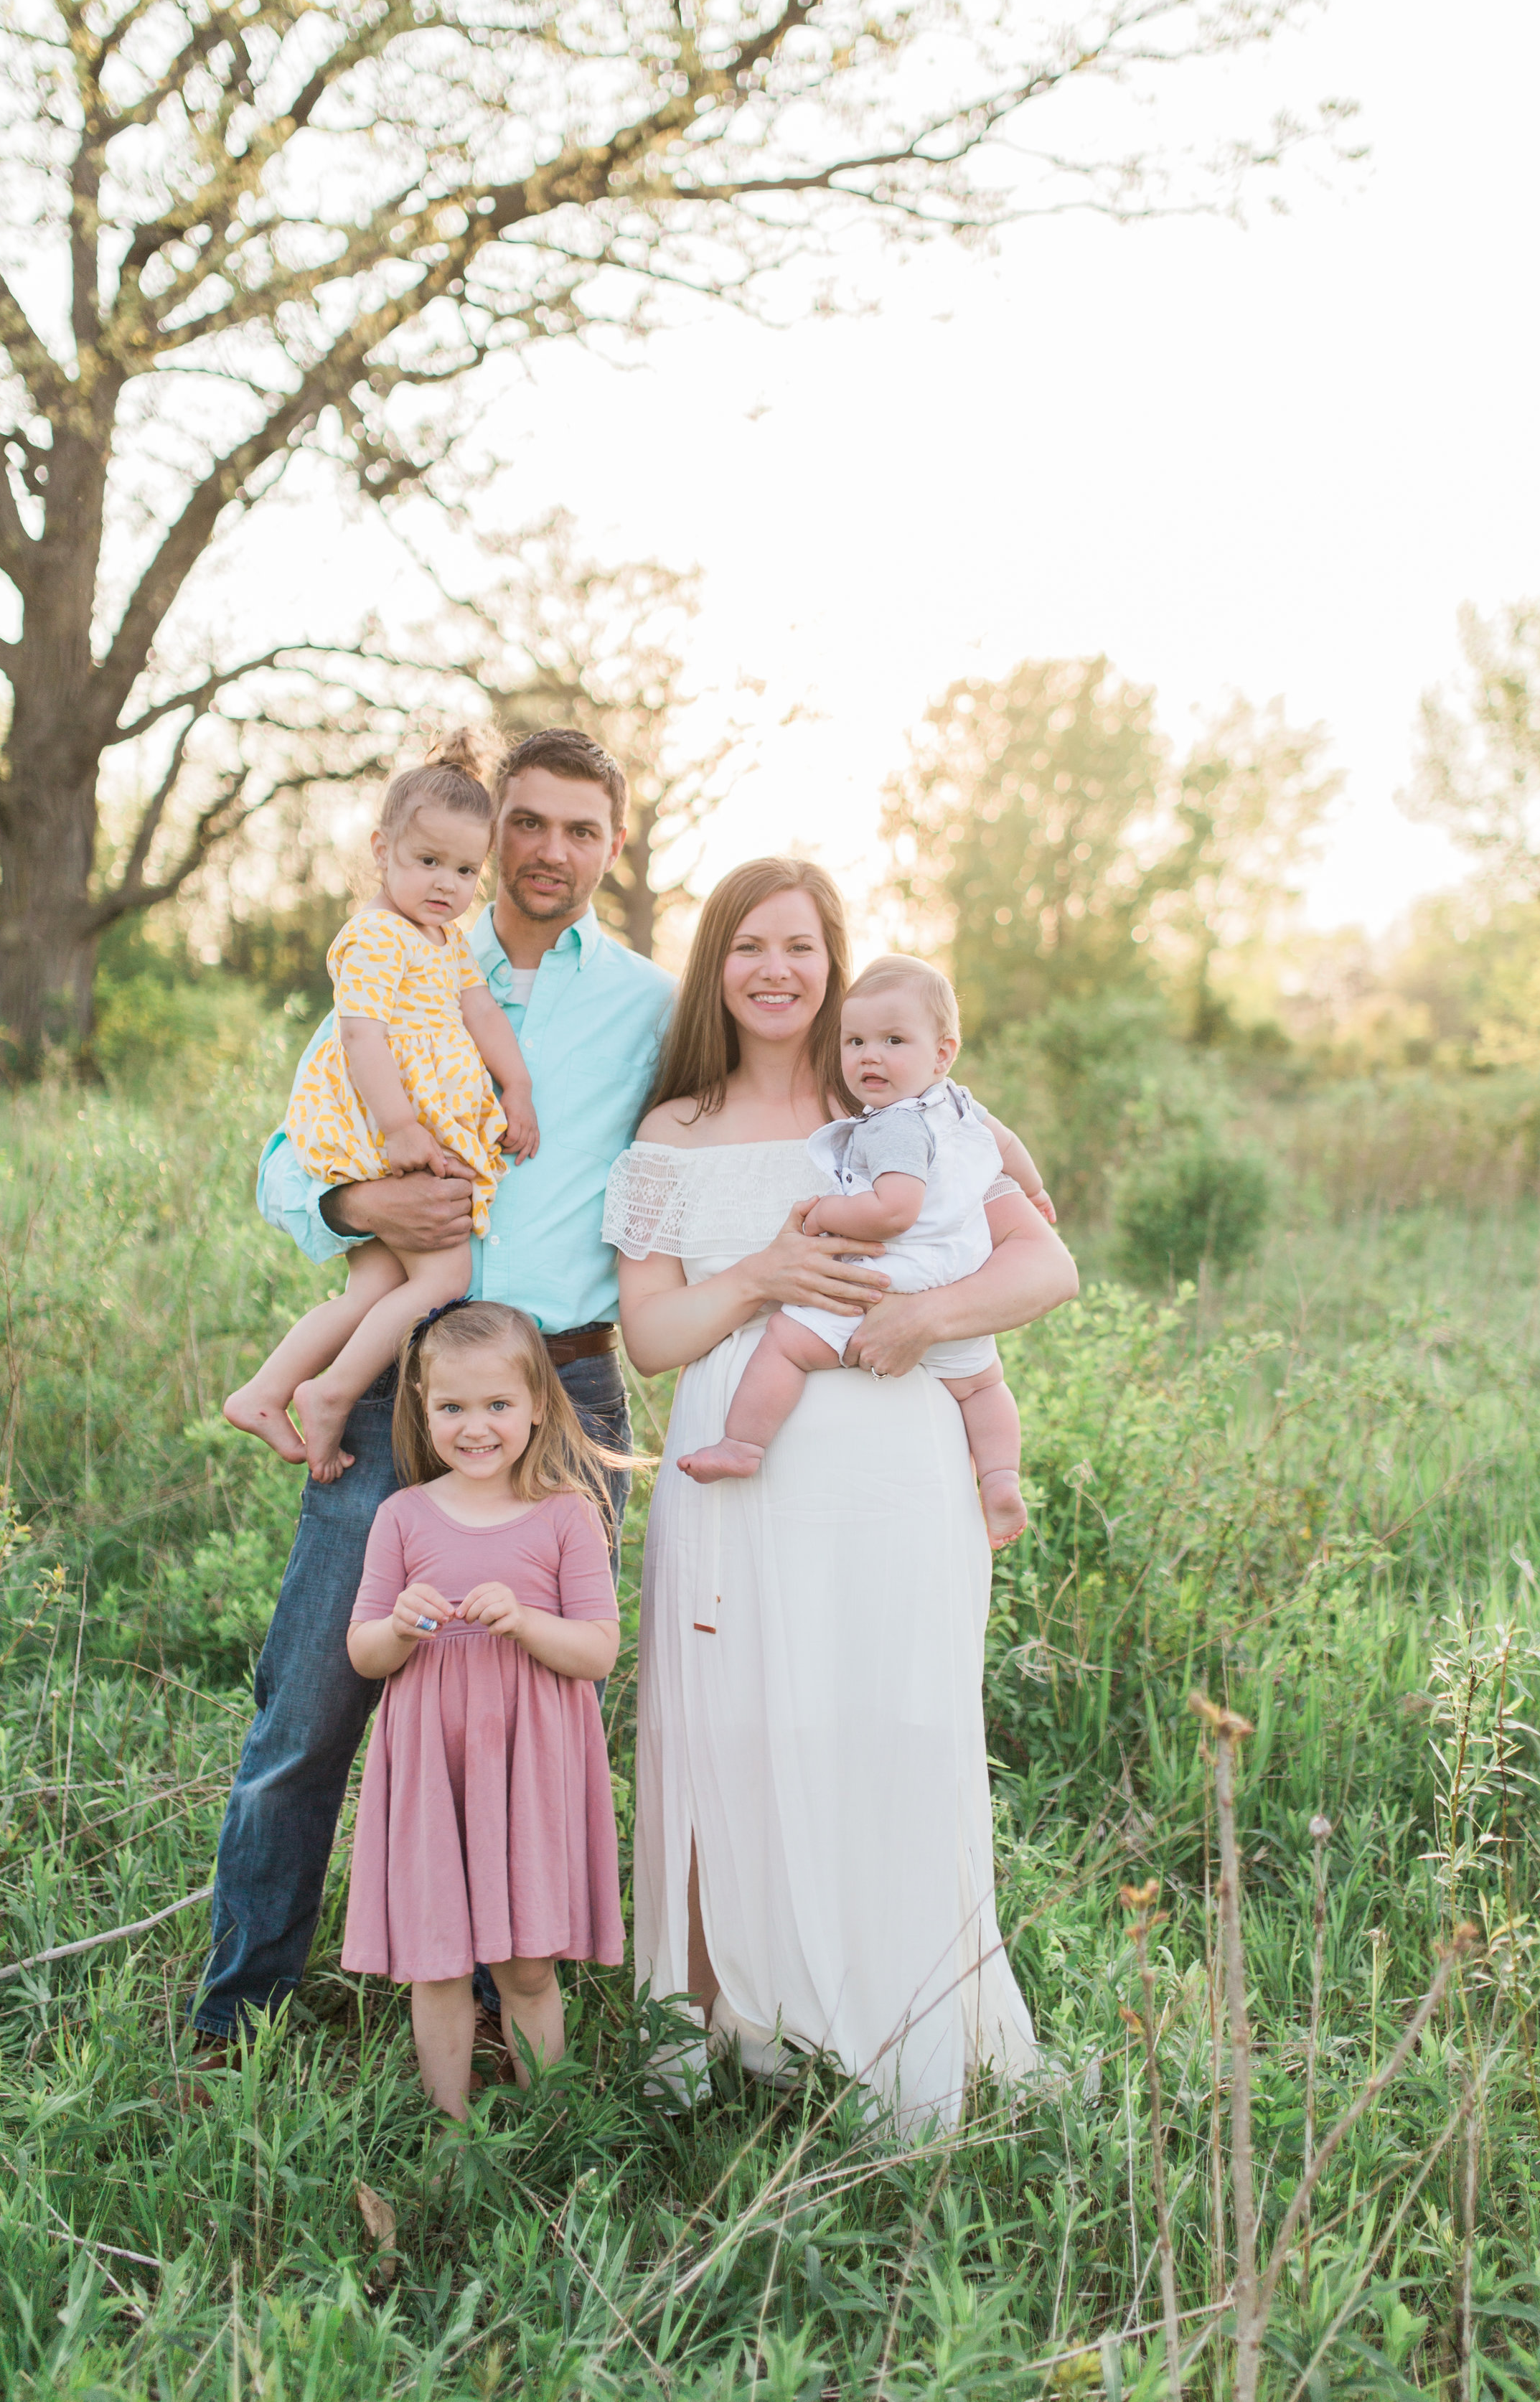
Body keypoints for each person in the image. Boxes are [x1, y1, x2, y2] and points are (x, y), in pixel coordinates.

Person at [189, 728, 674, 2060]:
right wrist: (352, 1198)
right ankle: (245, 2012)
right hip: (403, 1386)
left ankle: (518, 2011)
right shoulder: (395, 954)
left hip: (565, 1392)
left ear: (612, 847)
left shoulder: (644, 1004)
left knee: (533, 1712)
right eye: (529, 822)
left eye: (583, 830)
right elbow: (290, 1157)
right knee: (311, 1710)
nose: (549, 852)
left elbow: (749, 1117)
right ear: (481, 828)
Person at [605, 860, 1079, 2132]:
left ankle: (908, 2029)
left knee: (896, 1727)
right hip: (736, 1470)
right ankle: (727, 2040)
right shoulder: (674, 1134)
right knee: (733, 1736)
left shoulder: (908, 1097)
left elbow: (1047, 1262)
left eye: (801, 948)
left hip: (895, 1474)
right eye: (750, 946)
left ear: (835, 962)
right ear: (716, 965)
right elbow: (651, 1341)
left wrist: (924, 1315)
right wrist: (765, 1272)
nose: (776, 971)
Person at [225, 732, 540, 1482]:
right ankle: (330, 1393)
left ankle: (266, 1390)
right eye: (428, 862)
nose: (446, 884)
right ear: (381, 847)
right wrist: (401, 1127)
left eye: (466, 870)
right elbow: (361, 1035)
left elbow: (482, 1014)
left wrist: (517, 1085)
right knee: (443, 1280)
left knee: (373, 1287)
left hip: (403, 1127)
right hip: (380, 1132)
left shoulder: (444, 937)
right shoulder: (373, 937)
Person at [343, 1300, 626, 2117]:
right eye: (453, 1407)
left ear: (538, 1406)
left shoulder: (567, 1513)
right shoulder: (402, 1517)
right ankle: (452, 2130)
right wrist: (398, 1628)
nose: (476, 1427)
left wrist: (528, 1622)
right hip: (437, 1766)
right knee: (436, 1959)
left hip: (529, 1771)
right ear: (423, 1408)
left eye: (499, 1405)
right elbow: (364, 1652)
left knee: (529, 1965)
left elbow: (597, 1651)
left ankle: (548, 2122)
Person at [676, 953, 1051, 1552]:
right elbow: (1007, 1145)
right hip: (959, 1279)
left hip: (885, 1283)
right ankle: (1002, 1477)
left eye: (893, 1040)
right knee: (982, 1386)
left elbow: (893, 1210)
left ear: (942, 1053)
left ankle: (742, 1445)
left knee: (786, 1345)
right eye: (855, 1041)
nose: (869, 1056)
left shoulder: (891, 1125)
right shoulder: (961, 1109)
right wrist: (1034, 1191)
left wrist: (825, 1213)